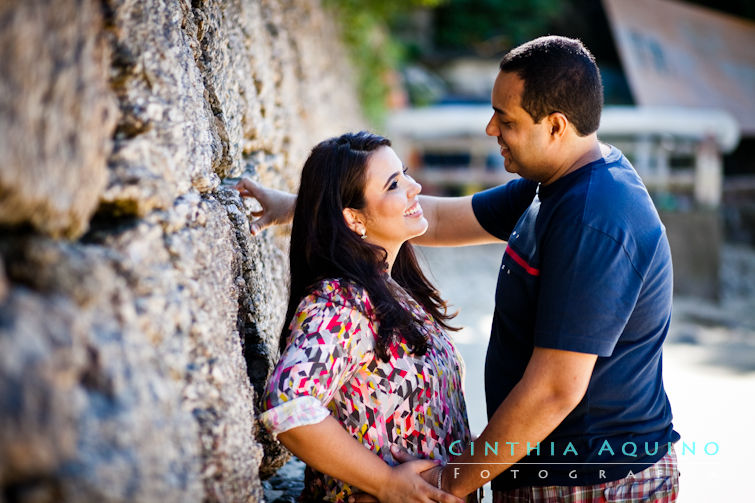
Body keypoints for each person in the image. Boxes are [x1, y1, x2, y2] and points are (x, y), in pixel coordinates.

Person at [241, 36, 680, 503]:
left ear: (555, 126)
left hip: (594, 482)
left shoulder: (594, 218)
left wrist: (447, 489)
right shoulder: (550, 184)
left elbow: (555, 389)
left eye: (506, 119)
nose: (491, 128)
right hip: (549, 471)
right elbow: (442, 217)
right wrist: (307, 207)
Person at [242, 131, 472, 503]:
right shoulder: (342, 302)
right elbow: (289, 404)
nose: (415, 188)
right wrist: (386, 483)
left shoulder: (394, 290)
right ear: (353, 218)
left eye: (405, 173)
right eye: (394, 184)